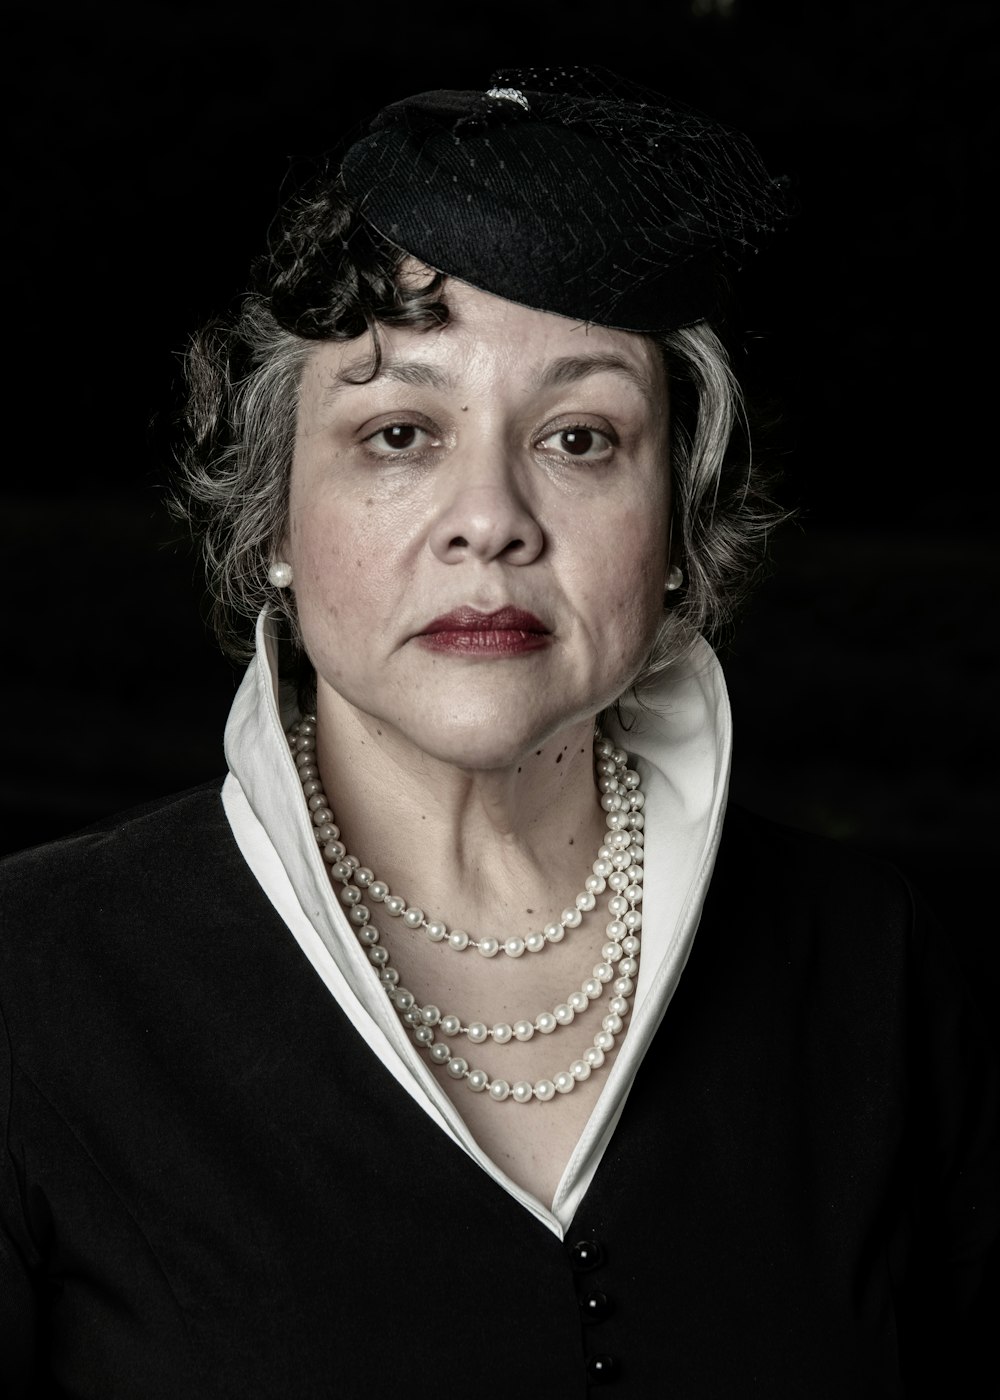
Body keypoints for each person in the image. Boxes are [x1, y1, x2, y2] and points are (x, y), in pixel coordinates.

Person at [1, 68, 995, 1398]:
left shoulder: (878, 971)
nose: (492, 517)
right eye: (401, 431)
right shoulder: (32, 986)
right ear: (278, 524)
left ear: (678, 537)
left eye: (581, 437)